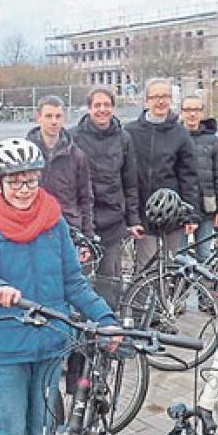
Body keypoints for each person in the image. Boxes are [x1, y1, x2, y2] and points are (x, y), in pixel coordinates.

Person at [0, 138, 117, 435]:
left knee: (40, 432)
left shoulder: (54, 222)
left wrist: (105, 319)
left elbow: (74, 282)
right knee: (12, 433)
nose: (23, 189)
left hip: (51, 343)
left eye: (30, 181)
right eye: (14, 182)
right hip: (10, 344)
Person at [70, 86, 143, 307]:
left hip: (112, 220)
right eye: (97, 105)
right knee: (80, 279)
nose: (102, 110)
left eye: (107, 105)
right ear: (89, 109)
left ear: (113, 107)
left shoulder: (124, 139)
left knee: (108, 281)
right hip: (84, 221)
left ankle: (108, 330)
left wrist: (133, 220)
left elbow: (130, 183)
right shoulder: (73, 137)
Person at [124, 77, 199, 267]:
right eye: (155, 96)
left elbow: (189, 177)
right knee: (145, 267)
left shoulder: (181, 134)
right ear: (146, 100)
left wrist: (191, 214)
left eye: (165, 96)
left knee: (171, 267)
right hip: (143, 212)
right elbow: (125, 175)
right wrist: (131, 215)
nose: (160, 101)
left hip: (172, 212)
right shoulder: (130, 132)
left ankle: (169, 298)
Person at [25, 95, 95, 257]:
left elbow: (85, 198)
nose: (54, 121)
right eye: (48, 116)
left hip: (68, 230)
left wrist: (87, 238)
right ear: (38, 118)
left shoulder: (77, 156)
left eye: (58, 116)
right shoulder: (26, 154)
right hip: (33, 230)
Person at [180, 94, 218, 262]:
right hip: (181, 209)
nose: (192, 114)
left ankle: (204, 289)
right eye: (188, 110)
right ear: (182, 113)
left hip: (207, 207)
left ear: (202, 113)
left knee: (205, 256)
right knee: (179, 256)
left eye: (196, 110)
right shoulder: (176, 137)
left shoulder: (212, 140)